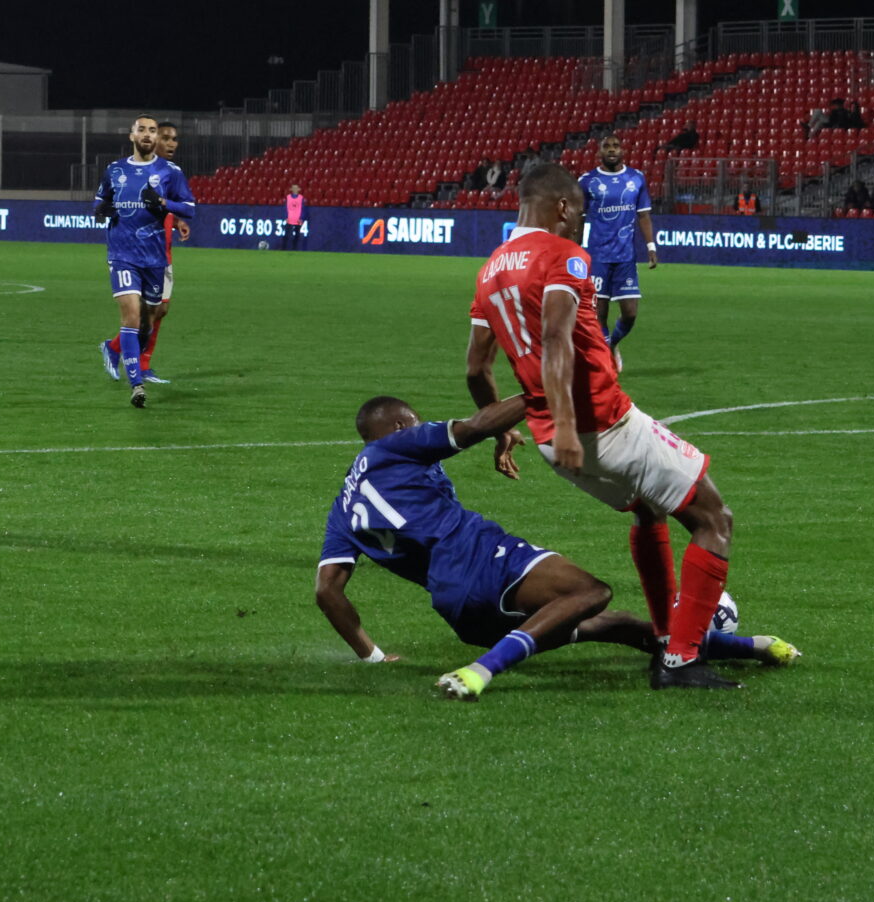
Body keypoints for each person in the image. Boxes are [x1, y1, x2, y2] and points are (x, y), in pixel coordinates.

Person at [465, 164, 756, 690]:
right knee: (715, 518)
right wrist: (574, 424)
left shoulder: (489, 271)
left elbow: (475, 369)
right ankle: (682, 661)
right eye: (579, 211)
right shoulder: (562, 255)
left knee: (648, 511)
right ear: (561, 207)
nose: (581, 222)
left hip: (550, 442)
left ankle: (669, 637)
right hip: (603, 426)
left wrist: (501, 431)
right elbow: (555, 339)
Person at [313, 393, 800, 700]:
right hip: (483, 559)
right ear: (400, 428)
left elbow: (328, 591)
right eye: (415, 422)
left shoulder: (342, 509)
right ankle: (482, 671)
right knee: (591, 593)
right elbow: (474, 426)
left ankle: (752, 647)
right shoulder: (394, 446)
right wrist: (543, 391)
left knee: (616, 627)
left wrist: (372, 656)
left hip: (457, 609)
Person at [93, 114, 195, 407]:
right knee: (132, 316)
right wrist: (103, 210)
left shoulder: (169, 172)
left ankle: (116, 350)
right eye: (145, 131)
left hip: (156, 256)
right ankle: (137, 380)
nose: (151, 136)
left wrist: (169, 212)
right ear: (132, 135)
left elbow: (187, 207)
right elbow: (100, 203)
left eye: (155, 132)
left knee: (154, 315)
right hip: (123, 255)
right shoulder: (115, 170)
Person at [577, 134, 658, 363]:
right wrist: (575, 250)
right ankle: (605, 363)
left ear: (623, 150)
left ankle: (612, 344)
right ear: (599, 152)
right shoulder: (587, 181)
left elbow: (643, 215)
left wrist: (650, 246)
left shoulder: (636, 178)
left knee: (630, 313)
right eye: (606, 146)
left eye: (616, 146)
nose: (611, 150)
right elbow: (579, 219)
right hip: (598, 257)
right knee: (598, 315)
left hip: (625, 257)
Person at [281, 183, 306, 251]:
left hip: (297, 220)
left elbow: (303, 208)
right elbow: (285, 208)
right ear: (291, 189)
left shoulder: (301, 198)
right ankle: (284, 249)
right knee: (286, 235)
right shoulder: (288, 197)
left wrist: (301, 218)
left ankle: (294, 249)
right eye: (293, 188)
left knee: (297, 235)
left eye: (296, 188)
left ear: (298, 190)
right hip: (289, 219)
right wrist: (285, 217)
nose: (295, 190)